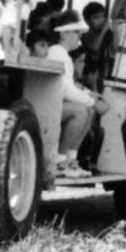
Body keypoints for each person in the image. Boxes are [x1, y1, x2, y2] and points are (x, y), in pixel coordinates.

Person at [40, 12, 108, 177]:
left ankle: (70, 161)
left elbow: (69, 87)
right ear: (63, 33)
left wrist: (90, 95)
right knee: (82, 110)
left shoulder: (62, 54)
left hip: (52, 106)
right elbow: (65, 90)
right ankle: (59, 162)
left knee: (87, 110)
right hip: (45, 108)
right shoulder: (58, 53)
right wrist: (93, 102)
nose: (80, 36)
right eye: (76, 32)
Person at [79, 1, 115, 91]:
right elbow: (94, 48)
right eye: (96, 18)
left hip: (105, 75)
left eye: (102, 17)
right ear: (87, 21)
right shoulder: (85, 36)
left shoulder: (109, 34)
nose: (100, 20)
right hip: (90, 75)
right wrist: (103, 32)